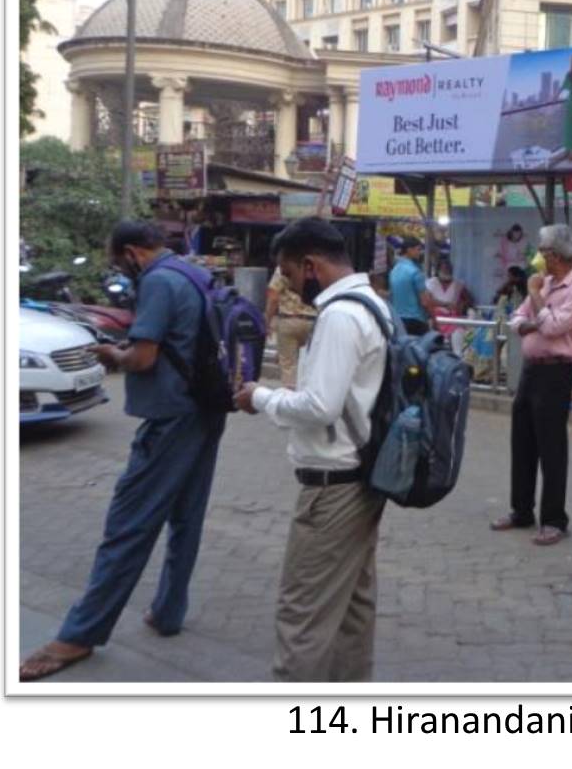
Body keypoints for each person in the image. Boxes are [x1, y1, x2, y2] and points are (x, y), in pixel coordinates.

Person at [20, 220, 227, 681]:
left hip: (171, 416)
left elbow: (144, 357)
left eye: (118, 262)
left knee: (128, 524)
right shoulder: (191, 272)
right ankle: (169, 611)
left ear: (132, 253)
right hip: (207, 408)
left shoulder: (157, 281)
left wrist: (115, 356)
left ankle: (79, 635)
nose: (122, 270)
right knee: (186, 516)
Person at [232, 218, 391, 681]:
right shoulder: (374, 306)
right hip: (362, 476)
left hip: (332, 490)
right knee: (352, 610)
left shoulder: (341, 316)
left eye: (287, 272)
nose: (286, 284)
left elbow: (320, 405)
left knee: (302, 613)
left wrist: (259, 397)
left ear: (310, 265)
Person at [491, 225, 572, 546]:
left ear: (556, 256)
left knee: (551, 448)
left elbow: (552, 327)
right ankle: (521, 510)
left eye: (544, 252)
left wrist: (536, 299)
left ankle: (554, 520)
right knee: (521, 442)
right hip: (531, 370)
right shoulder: (545, 282)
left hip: (556, 373)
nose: (539, 259)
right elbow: (517, 320)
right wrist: (536, 315)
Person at [266, 265, 318, 387]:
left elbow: (273, 296)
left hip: (288, 319)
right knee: (311, 364)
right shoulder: (315, 266)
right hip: (313, 320)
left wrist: (267, 321)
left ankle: (289, 397)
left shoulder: (286, 265)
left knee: (288, 366)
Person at [389, 234, 433, 335]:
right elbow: (425, 302)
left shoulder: (394, 271)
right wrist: (432, 318)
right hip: (416, 321)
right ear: (409, 250)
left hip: (398, 319)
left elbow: (392, 296)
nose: (419, 252)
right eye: (418, 249)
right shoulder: (415, 272)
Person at [426, 257, 474, 338]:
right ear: (438, 270)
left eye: (449, 269)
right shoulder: (431, 282)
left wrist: (462, 305)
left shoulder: (458, 284)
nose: (447, 271)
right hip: (435, 318)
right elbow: (428, 300)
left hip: (452, 318)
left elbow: (470, 300)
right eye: (444, 269)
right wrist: (445, 305)